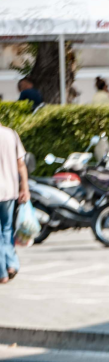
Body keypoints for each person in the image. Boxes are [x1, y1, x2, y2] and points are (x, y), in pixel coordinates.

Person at [0, 121, 30, 284]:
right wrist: (24, 187)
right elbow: (21, 164)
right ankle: (11, 264)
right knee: (6, 229)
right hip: (10, 190)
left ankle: (2, 273)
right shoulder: (11, 134)